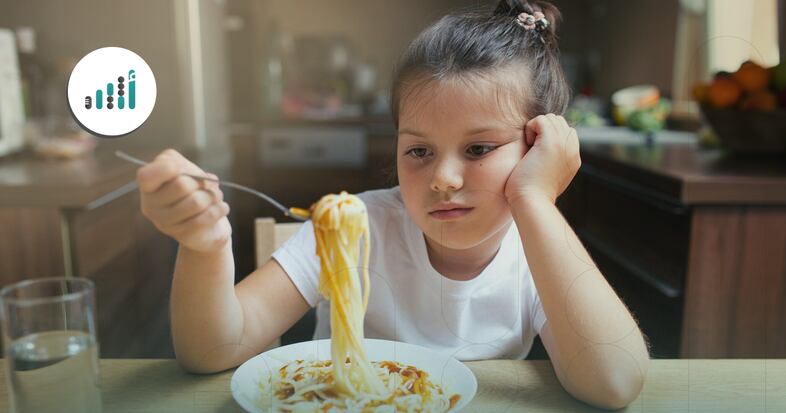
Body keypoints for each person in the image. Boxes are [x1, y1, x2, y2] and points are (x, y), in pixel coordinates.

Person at [135, 0, 649, 409]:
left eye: (479, 149)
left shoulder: (538, 250)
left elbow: (616, 381)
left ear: (538, 147)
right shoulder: (355, 226)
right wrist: (205, 245)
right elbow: (212, 351)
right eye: (419, 151)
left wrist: (534, 199)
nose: (443, 179)